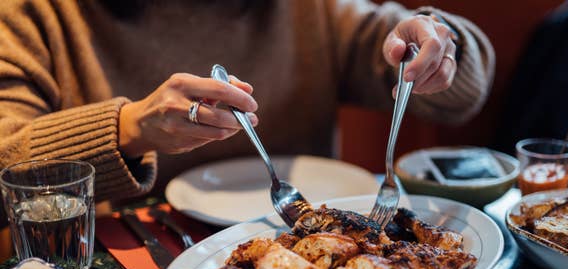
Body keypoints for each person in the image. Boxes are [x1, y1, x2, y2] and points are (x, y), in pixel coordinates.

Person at [0, 0, 494, 203]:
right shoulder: (33, 15)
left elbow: (456, 99)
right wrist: (126, 130)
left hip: (310, 257)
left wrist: (438, 48)